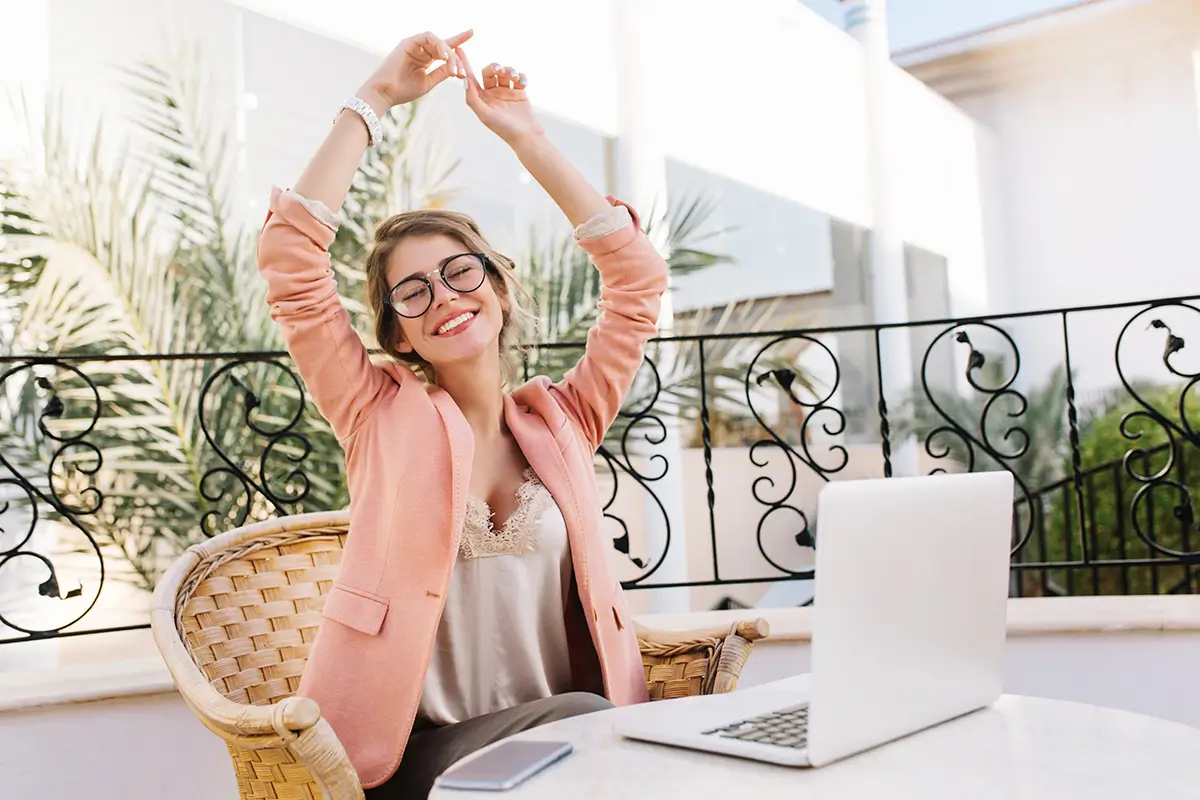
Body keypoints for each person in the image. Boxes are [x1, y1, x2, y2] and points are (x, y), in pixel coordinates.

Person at [255, 28, 667, 799]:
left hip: (560, 757)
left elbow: (637, 280)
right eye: (413, 292)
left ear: (498, 288)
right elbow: (290, 259)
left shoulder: (564, 423)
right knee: (587, 722)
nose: (443, 296)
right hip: (416, 761)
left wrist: (527, 138)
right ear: (396, 332)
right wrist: (374, 98)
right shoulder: (375, 414)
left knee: (600, 734)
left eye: (458, 272)